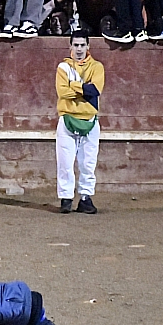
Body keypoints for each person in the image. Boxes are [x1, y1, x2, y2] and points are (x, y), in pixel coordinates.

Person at [56, 32, 104, 214]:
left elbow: (95, 90)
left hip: (89, 119)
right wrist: (84, 88)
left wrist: (74, 86)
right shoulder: (63, 67)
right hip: (67, 118)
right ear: (70, 47)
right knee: (65, 162)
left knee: (88, 163)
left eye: (82, 45)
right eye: (75, 45)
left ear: (88, 47)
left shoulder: (97, 67)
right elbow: (62, 93)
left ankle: (86, 197)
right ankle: (66, 198)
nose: (79, 49)